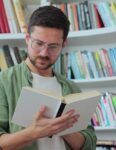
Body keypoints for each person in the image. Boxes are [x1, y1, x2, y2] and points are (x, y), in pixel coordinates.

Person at [0, 5, 97, 150]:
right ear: (27, 39)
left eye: (53, 46)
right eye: (38, 43)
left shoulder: (71, 88)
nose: (44, 53)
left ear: (64, 44)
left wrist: (63, 128)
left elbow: (89, 144)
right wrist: (33, 133)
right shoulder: (4, 81)